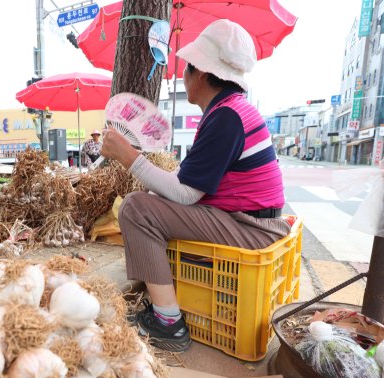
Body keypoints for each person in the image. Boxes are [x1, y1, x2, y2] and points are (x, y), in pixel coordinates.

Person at [99, 20, 290, 352]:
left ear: (200, 72)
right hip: (250, 220)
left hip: (252, 227)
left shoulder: (227, 117)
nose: (181, 76)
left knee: (135, 208)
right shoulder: (230, 112)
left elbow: (184, 194)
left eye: (186, 68)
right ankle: (162, 301)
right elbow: (184, 188)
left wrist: (127, 156)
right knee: (146, 202)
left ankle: (168, 324)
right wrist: (137, 161)